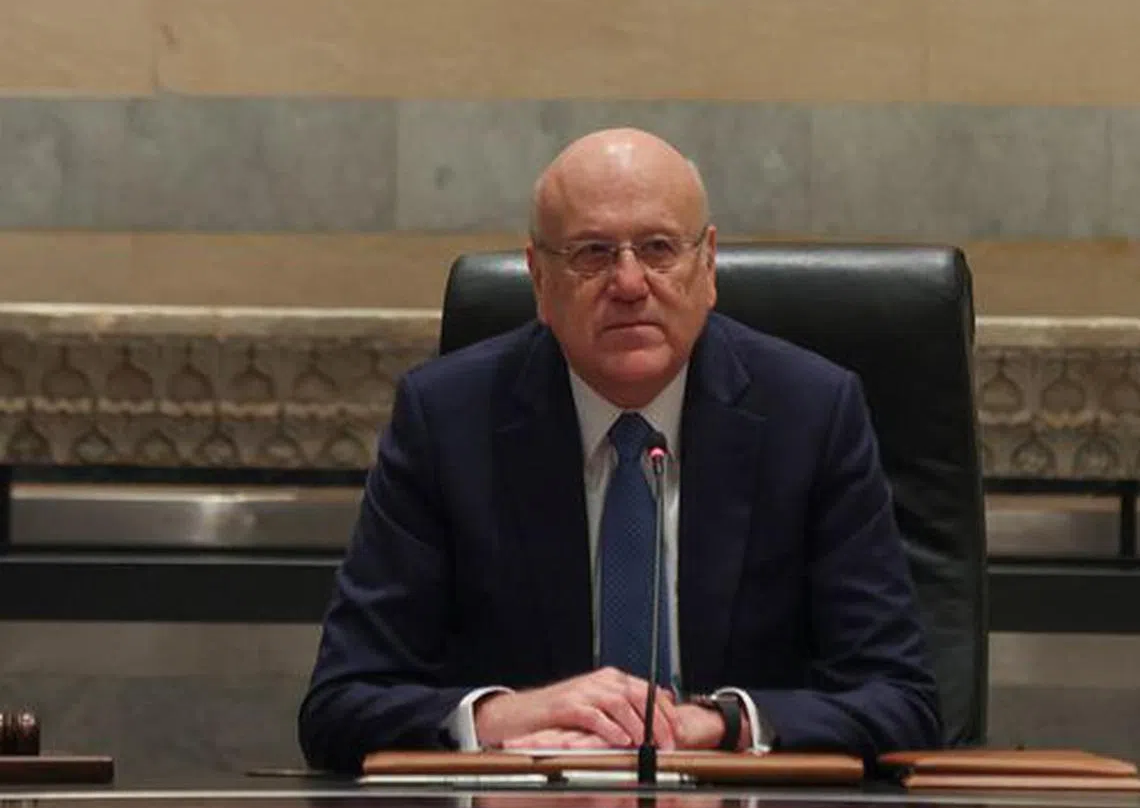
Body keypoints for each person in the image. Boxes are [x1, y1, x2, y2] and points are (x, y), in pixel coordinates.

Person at [299, 128, 941, 773]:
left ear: (708, 266)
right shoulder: (446, 421)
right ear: (538, 279)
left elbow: (900, 700)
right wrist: (502, 717)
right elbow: (339, 703)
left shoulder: (812, 415)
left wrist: (717, 724)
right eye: (592, 254)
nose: (629, 283)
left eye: (659, 249)